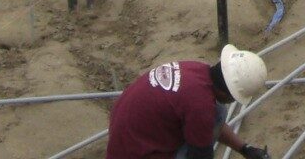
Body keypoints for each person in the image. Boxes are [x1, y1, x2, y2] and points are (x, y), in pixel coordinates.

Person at [106, 45, 270, 159]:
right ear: (228, 93)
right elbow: (201, 154)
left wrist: (245, 149)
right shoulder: (200, 106)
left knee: (218, 112)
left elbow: (211, 124)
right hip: (136, 153)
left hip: (128, 139)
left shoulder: (197, 70)